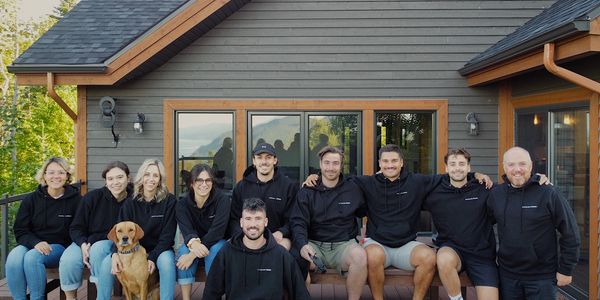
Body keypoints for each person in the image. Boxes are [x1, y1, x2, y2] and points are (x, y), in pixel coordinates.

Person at [488, 147, 580, 300]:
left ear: (530, 166)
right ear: (504, 167)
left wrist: (566, 269)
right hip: (507, 275)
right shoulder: (496, 194)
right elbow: (480, 224)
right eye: (511, 165)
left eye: (522, 164)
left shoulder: (548, 193)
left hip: (542, 277)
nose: (517, 169)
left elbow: (570, 232)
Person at [291, 146, 367, 299]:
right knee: (296, 258)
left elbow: (366, 211)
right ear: (320, 164)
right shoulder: (308, 190)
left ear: (341, 165)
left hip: (343, 246)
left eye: (335, 163)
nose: (331, 168)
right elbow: (298, 222)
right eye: (327, 163)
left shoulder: (353, 188)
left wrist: (366, 231)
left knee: (360, 256)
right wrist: (302, 245)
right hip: (314, 245)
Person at [423, 149, 498, 300]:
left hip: (481, 255)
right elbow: (407, 193)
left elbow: (513, 190)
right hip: (452, 250)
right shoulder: (435, 192)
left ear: (469, 167)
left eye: (462, 164)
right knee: (443, 257)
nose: (457, 168)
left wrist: (536, 178)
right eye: (453, 164)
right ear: (446, 168)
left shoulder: (484, 188)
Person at [203, 198, 310, 300]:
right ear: (241, 222)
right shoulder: (227, 252)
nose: (253, 225)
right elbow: (211, 292)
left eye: (258, 218)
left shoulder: (280, 254)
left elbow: (300, 293)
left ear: (266, 221)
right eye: (248, 219)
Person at [6, 157, 81, 300]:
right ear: (44, 175)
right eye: (51, 172)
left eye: (61, 172)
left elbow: (78, 228)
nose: (56, 176)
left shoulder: (77, 200)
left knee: (32, 258)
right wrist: (35, 243)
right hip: (32, 243)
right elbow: (20, 230)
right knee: (14, 259)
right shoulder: (31, 199)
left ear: (67, 176)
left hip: (60, 246)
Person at [59, 161, 132, 300]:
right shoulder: (92, 197)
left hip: (111, 243)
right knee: (68, 260)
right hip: (86, 240)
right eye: (110, 179)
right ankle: (71, 298)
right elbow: (76, 227)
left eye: (120, 177)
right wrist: (83, 244)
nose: (115, 182)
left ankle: (102, 295)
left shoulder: (133, 200)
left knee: (98, 249)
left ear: (128, 178)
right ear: (105, 181)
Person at [112, 158, 177, 300]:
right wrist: (114, 254)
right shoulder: (130, 203)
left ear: (160, 179)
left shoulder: (169, 201)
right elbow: (119, 231)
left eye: (155, 175)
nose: (151, 179)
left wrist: (152, 257)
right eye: (147, 175)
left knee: (166, 263)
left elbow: (167, 236)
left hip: (160, 250)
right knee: (113, 264)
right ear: (141, 177)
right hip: (135, 250)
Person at [228, 142, 298, 250]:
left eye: (268, 157)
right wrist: (241, 236)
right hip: (247, 237)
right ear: (254, 161)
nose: (264, 162)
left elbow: (293, 218)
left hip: (276, 239)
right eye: (259, 158)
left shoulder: (288, 186)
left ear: (275, 160)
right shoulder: (241, 187)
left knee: (282, 248)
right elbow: (234, 219)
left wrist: (282, 232)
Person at [176, 164, 229, 300]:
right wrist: (193, 249)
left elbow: (217, 231)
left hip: (217, 241)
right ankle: (186, 298)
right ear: (192, 184)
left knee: (214, 249)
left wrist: (192, 255)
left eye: (208, 180)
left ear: (212, 182)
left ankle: (211, 296)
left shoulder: (222, 200)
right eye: (199, 180)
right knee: (183, 253)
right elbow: (187, 230)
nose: (204, 184)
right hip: (194, 242)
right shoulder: (182, 204)